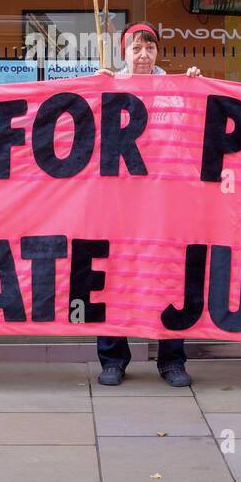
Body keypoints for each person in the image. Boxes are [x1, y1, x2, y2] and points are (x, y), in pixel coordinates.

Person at [95, 23, 199, 387]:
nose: (143, 56)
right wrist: (93, 91)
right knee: (113, 276)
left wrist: (194, 90)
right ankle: (113, 359)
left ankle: (171, 360)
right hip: (119, 204)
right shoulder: (108, 87)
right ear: (124, 53)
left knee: (169, 276)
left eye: (150, 49)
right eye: (136, 49)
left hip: (164, 204)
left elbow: (190, 134)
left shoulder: (176, 89)